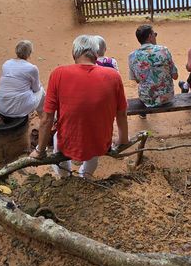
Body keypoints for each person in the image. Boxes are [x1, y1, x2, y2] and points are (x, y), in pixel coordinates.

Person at [30, 35, 129, 179]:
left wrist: (40, 150)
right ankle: (85, 176)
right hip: (99, 141)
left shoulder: (58, 73)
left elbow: (47, 118)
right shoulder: (113, 76)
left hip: (68, 141)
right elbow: (122, 114)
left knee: (59, 148)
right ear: (96, 54)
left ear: (74, 54)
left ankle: (65, 177)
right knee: (92, 155)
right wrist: (123, 140)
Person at [128, 24, 179, 115]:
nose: (155, 37)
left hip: (147, 99)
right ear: (150, 36)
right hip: (167, 97)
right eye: (154, 34)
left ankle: (143, 114)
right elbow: (175, 76)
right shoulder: (164, 50)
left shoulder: (132, 56)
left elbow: (137, 80)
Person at [0, 40, 45, 119]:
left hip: (1, 107)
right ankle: (44, 119)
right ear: (29, 53)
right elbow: (36, 89)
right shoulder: (32, 68)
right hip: (19, 109)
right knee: (41, 91)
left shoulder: (6, 63)